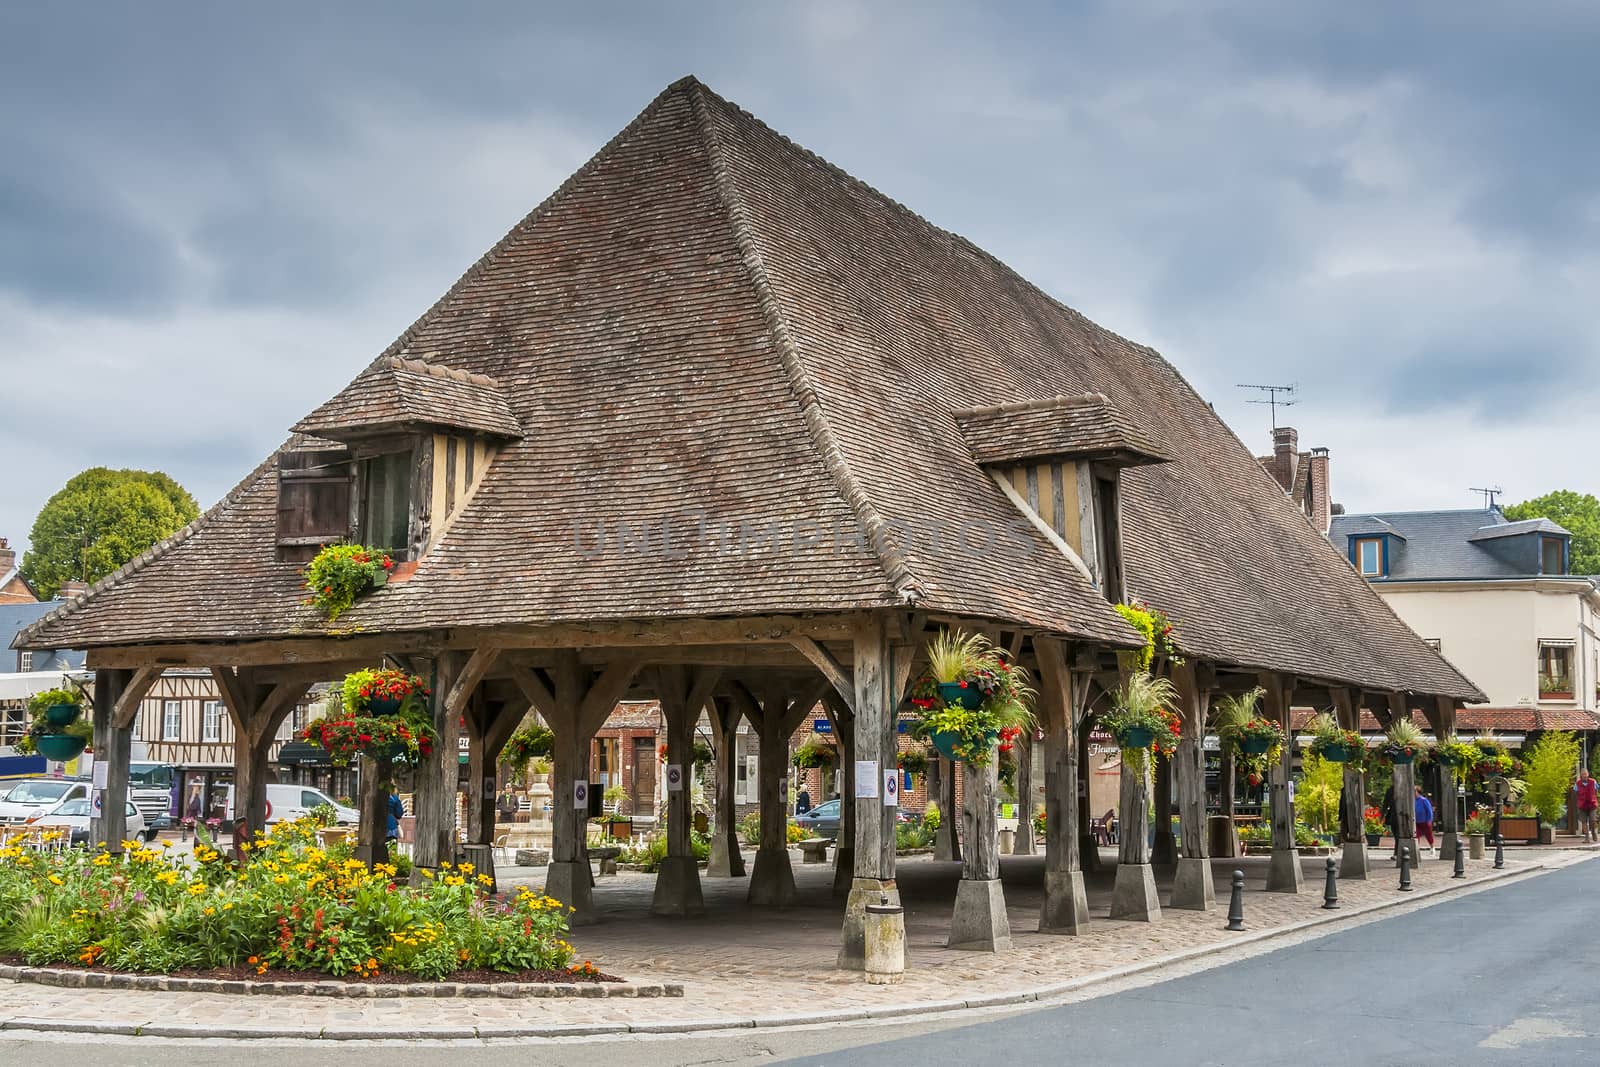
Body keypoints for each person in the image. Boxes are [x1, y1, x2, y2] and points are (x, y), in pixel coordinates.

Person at [1576, 768, 1599, 843]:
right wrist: (1579, 802)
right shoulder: (1577, 783)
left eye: (1586, 774)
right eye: (1583, 774)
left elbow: (1596, 791)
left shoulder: (1593, 781)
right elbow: (1576, 793)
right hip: (1582, 805)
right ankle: (1587, 838)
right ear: (1581, 775)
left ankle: (1594, 833)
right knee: (1584, 822)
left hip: (1592, 804)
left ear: (1588, 774)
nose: (1584, 775)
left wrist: (1594, 799)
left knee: (1593, 820)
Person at [1414, 785, 1435, 852]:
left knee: (1428, 835)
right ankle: (1416, 849)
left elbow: (1429, 811)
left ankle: (1432, 847)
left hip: (1425, 821)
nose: (1413, 793)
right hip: (1417, 822)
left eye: (1415, 791)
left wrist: (1429, 820)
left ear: (1418, 792)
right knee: (1416, 835)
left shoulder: (1424, 800)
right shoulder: (1413, 801)